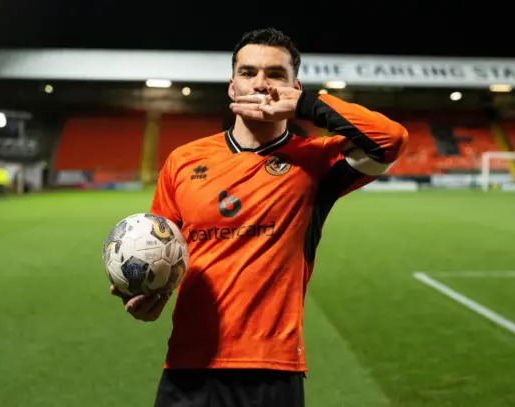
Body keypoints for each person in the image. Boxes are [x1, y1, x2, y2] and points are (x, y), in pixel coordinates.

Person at [111, 28, 408, 407]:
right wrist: (152, 294)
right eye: (248, 73)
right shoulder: (184, 161)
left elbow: (391, 140)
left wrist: (306, 105)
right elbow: (163, 247)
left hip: (272, 370)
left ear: (294, 87)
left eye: (275, 75)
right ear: (232, 86)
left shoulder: (316, 162)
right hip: (188, 368)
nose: (261, 84)